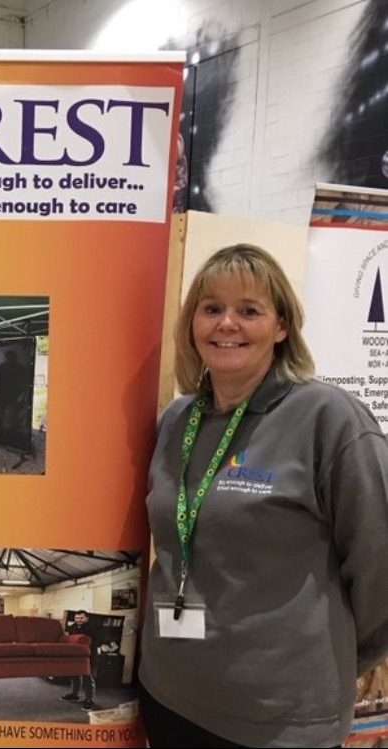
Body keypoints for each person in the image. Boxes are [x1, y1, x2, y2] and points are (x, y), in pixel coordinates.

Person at [139, 244, 388, 748]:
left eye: (249, 310)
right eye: (212, 308)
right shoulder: (177, 420)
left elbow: (380, 561)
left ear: (282, 327)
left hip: (279, 719)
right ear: (193, 324)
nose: (227, 323)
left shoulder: (329, 419)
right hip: (169, 693)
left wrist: (349, 655)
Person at [60, 610, 97, 711]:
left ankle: (89, 699)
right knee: (75, 675)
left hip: (89, 656)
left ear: (86, 618)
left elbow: (94, 642)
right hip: (76, 655)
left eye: (81, 618)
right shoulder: (73, 627)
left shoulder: (92, 628)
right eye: (77, 618)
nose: (79, 620)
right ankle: (74, 694)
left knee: (88, 677)